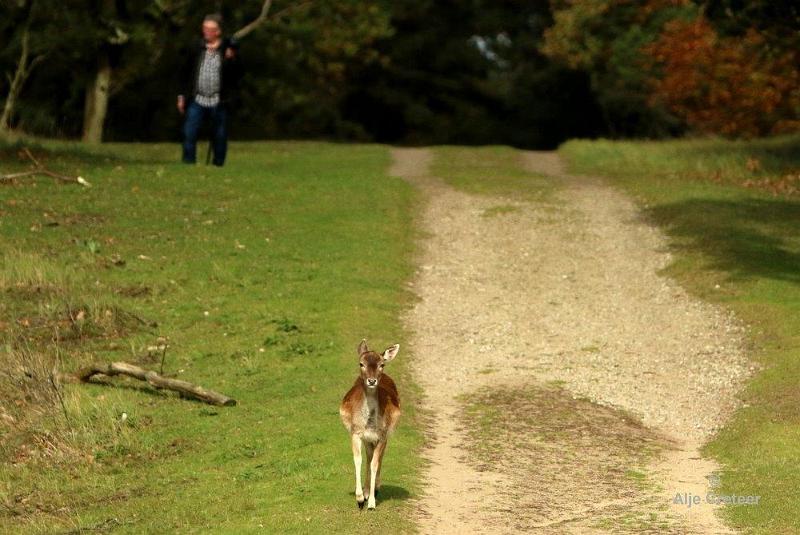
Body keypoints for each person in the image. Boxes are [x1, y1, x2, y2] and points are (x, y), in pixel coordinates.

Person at [177, 14, 242, 167]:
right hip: (197, 98)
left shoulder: (227, 48)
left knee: (220, 135)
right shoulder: (195, 47)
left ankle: (218, 164)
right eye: (204, 28)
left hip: (219, 100)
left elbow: (238, 75)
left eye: (210, 29)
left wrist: (231, 58)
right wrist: (181, 96)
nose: (206, 31)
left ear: (218, 31)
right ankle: (188, 163)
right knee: (189, 132)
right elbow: (183, 72)